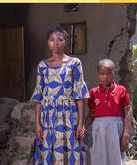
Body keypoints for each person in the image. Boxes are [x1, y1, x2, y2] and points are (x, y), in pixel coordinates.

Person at [30, 26, 89, 165]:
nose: (56, 43)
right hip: (48, 117)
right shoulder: (42, 66)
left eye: (60, 39)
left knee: (72, 148)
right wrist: (37, 123)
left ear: (66, 42)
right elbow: (39, 96)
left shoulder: (75, 63)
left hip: (69, 115)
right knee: (49, 150)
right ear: (47, 43)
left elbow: (79, 95)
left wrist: (81, 123)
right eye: (52, 40)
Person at [84, 59, 132, 165]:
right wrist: (83, 128)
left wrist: (126, 134)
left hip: (116, 129)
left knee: (115, 156)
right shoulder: (93, 92)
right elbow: (91, 114)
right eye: (102, 74)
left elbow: (127, 113)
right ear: (98, 74)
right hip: (98, 129)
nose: (105, 76)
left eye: (109, 73)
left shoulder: (121, 90)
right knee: (98, 155)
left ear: (114, 73)